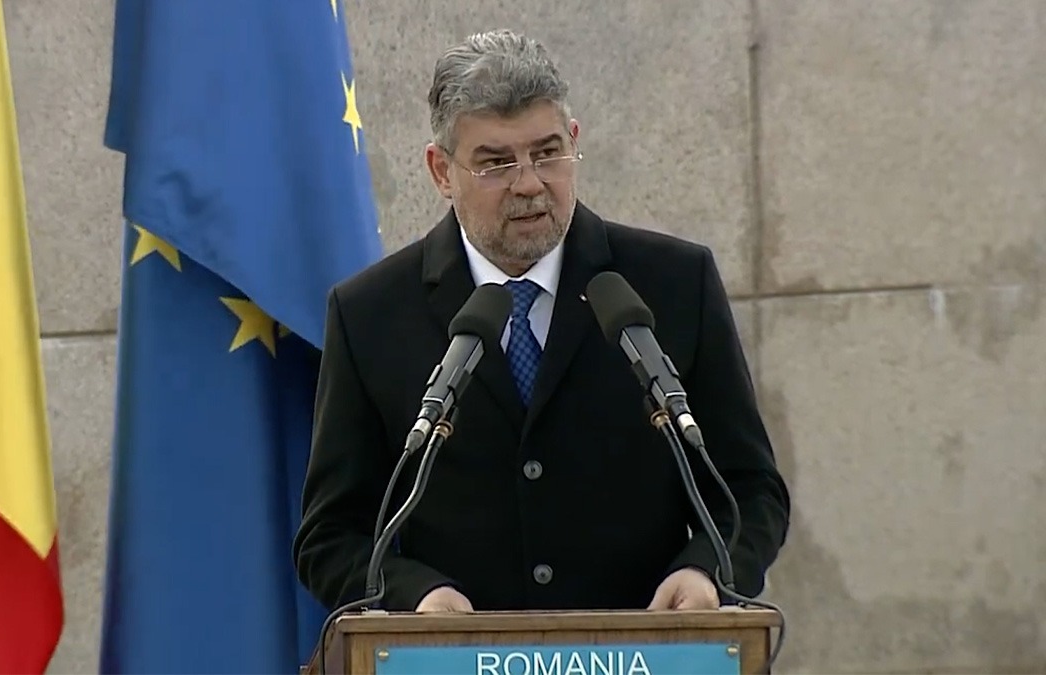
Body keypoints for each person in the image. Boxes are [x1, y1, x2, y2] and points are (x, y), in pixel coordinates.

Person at [292, 28, 789, 615]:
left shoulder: (674, 284)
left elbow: (750, 491)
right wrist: (416, 596)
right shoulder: (370, 313)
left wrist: (705, 572)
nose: (529, 184)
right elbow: (330, 536)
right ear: (441, 171)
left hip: (642, 647)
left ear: (573, 141)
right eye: (495, 163)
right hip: (456, 652)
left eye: (547, 153)